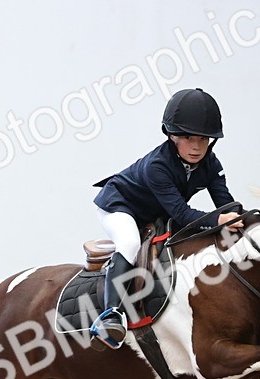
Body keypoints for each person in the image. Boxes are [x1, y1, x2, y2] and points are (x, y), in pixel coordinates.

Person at [89, 88, 241, 349]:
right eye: (187, 137)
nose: (196, 146)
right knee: (128, 243)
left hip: (156, 212)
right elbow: (182, 214)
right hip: (120, 204)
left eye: (203, 139)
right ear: (171, 135)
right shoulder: (157, 166)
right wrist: (218, 221)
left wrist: (245, 223)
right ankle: (110, 316)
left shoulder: (211, 164)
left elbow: (227, 205)